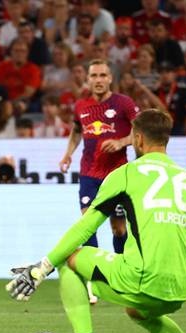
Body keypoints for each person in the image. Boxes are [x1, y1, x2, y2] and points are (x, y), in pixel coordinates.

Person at [7, 108, 186, 333]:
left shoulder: (125, 174)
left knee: (71, 261)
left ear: (137, 139)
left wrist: (41, 268)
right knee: (138, 312)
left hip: (143, 278)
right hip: (178, 290)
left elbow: (86, 226)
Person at [59, 59, 139, 254]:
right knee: (87, 226)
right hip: (89, 174)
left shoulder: (123, 103)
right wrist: (67, 154)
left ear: (110, 78)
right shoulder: (81, 105)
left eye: (103, 75)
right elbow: (77, 130)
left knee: (118, 229)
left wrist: (121, 142)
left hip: (117, 175)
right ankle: (93, 275)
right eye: (94, 75)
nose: (98, 80)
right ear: (88, 79)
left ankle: (120, 271)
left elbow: (141, 132)